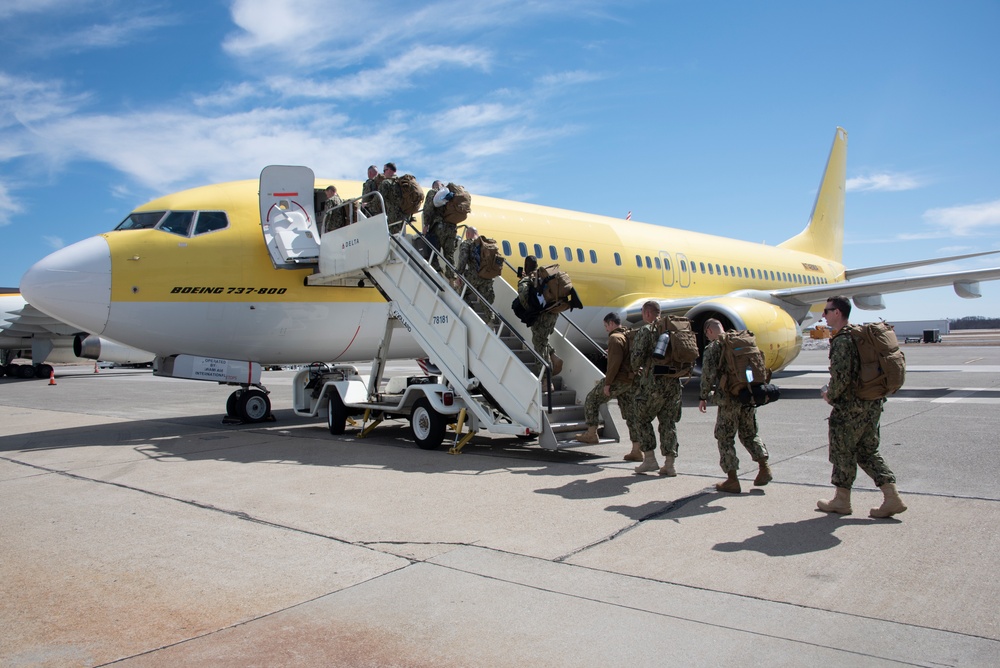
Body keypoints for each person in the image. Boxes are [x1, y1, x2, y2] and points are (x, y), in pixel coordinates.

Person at [817, 296, 907, 518]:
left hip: (850, 408)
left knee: (842, 452)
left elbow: (841, 376)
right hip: (872, 403)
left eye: (827, 311)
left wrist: (830, 395)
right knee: (867, 451)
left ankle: (841, 500)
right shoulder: (860, 337)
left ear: (837, 312)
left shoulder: (843, 340)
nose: (823, 315)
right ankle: (891, 496)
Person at [698, 318, 772, 493]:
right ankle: (764, 467)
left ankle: (732, 479)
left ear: (709, 331)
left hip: (729, 399)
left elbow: (708, 375)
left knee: (724, 437)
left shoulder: (715, 347)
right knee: (749, 434)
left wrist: (703, 396)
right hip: (748, 395)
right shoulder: (741, 341)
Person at [630, 301, 683, 475]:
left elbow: (636, 359)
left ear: (647, 314)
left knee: (641, 418)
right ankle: (669, 464)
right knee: (668, 422)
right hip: (674, 383)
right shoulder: (675, 330)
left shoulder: (646, 331)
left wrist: (637, 367)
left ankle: (650, 460)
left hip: (653, 384)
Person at [575, 313, 635, 445]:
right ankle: (637, 449)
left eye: (606, 326)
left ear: (611, 323)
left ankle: (591, 434)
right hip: (631, 380)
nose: (606, 329)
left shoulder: (614, 338)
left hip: (618, 379)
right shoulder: (628, 335)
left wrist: (608, 384)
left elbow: (614, 365)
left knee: (591, 399)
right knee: (631, 415)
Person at [517, 255, 562, 375]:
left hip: (541, 317)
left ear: (526, 267)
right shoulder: (541, 277)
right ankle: (554, 358)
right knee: (542, 340)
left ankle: (546, 379)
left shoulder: (527, 280)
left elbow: (523, 298)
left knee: (538, 345)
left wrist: (530, 312)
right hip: (553, 314)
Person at [454, 226, 496, 325]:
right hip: (487, 277)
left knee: (461, 292)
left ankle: (472, 313)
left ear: (467, 234)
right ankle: (491, 319)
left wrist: (458, 275)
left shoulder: (467, 243)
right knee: (485, 300)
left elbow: (463, 260)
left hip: (474, 276)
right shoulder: (485, 244)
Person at [422, 181, 445, 271]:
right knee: (447, 253)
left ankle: (435, 267)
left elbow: (428, 208)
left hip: (436, 224)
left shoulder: (433, 192)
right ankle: (451, 275)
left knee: (432, 246)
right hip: (448, 226)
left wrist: (426, 224)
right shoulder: (447, 195)